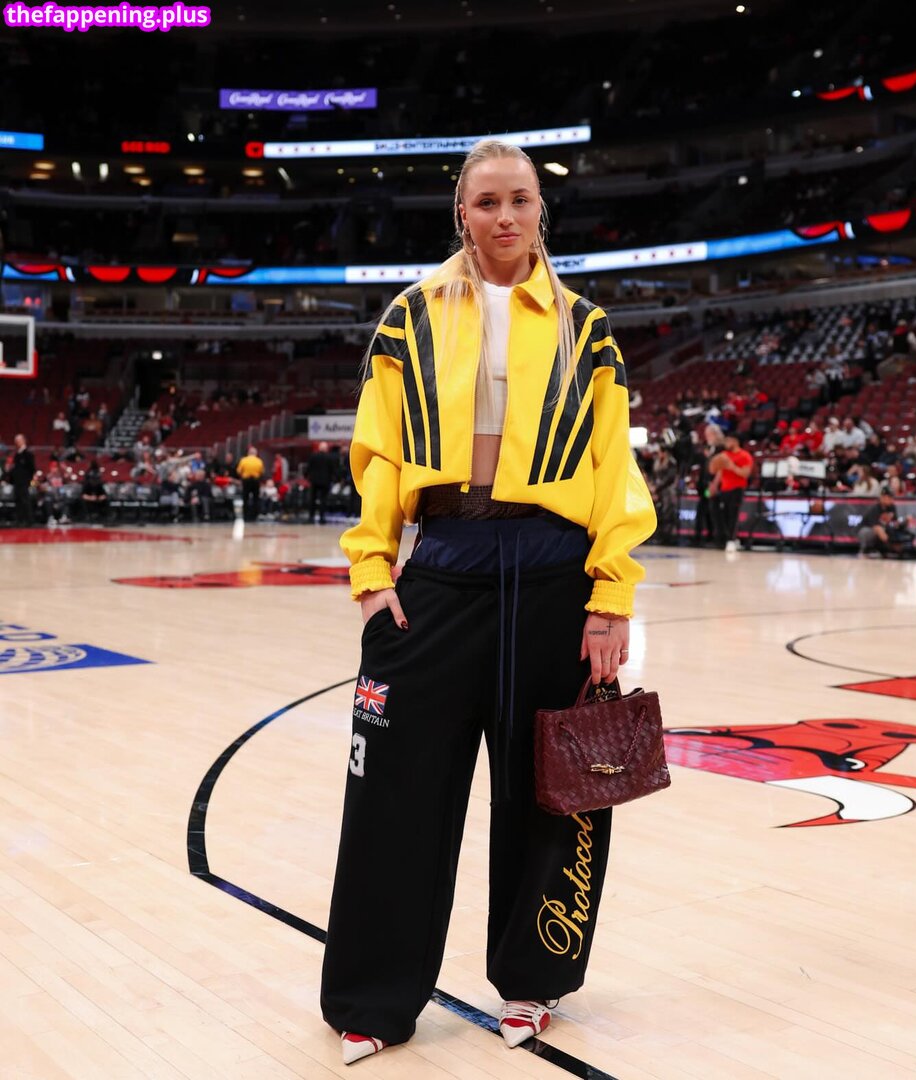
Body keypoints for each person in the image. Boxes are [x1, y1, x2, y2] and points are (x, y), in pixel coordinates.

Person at [320, 139, 656, 1066]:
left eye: (520, 200)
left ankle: (533, 981)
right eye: (486, 202)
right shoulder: (411, 315)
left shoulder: (587, 327)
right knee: (394, 793)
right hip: (442, 566)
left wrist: (611, 595)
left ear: (542, 209)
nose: (504, 217)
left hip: (556, 576)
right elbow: (377, 453)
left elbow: (613, 467)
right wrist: (372, 574)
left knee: (555, 792)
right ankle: (373, 997)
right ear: (460, 213)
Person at [709, 433, 753, 553]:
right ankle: (726, 538)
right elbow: (717, 471)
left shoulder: (745, 456)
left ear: (735, 441)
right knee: (723, 515)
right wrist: (714, 485)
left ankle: (731, 540)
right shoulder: (723, 455)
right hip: (724, 489)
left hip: (738, 488)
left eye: (728, 441)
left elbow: (745, 474)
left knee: (733, 515)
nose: (726, 443)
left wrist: (732, 466)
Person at [7, 434, 36, 526]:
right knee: (18, 500)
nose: (16, 442)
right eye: (16, 441)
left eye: (18, 440)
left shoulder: (28, 454)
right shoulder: (16, 455)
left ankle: (29, 520)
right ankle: (20, 520)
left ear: (23, 441)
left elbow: (32, 468)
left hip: (24, 482)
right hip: (17, 482)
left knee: (25, 500)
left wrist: (28, 479)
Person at [306, 441, 333, 524]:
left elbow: (308, 467)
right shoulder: (329, 457)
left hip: (314, 481)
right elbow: (332, 469)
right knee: (323, 500)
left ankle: (311, 517)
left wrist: (307, 476)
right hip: (325, 481)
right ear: (326, 448)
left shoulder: (313, 456)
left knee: (312, 499)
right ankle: (322, 518)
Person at [236, 446, 264, 521]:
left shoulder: (243, 460)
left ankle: (245, 516)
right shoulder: (259, 461)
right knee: (256, 499)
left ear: (248, 453)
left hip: (246, 481)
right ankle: (255, 516)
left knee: (245, 498)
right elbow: (261, 472)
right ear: (256, 453)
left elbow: (239, 471)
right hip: (255, 481)